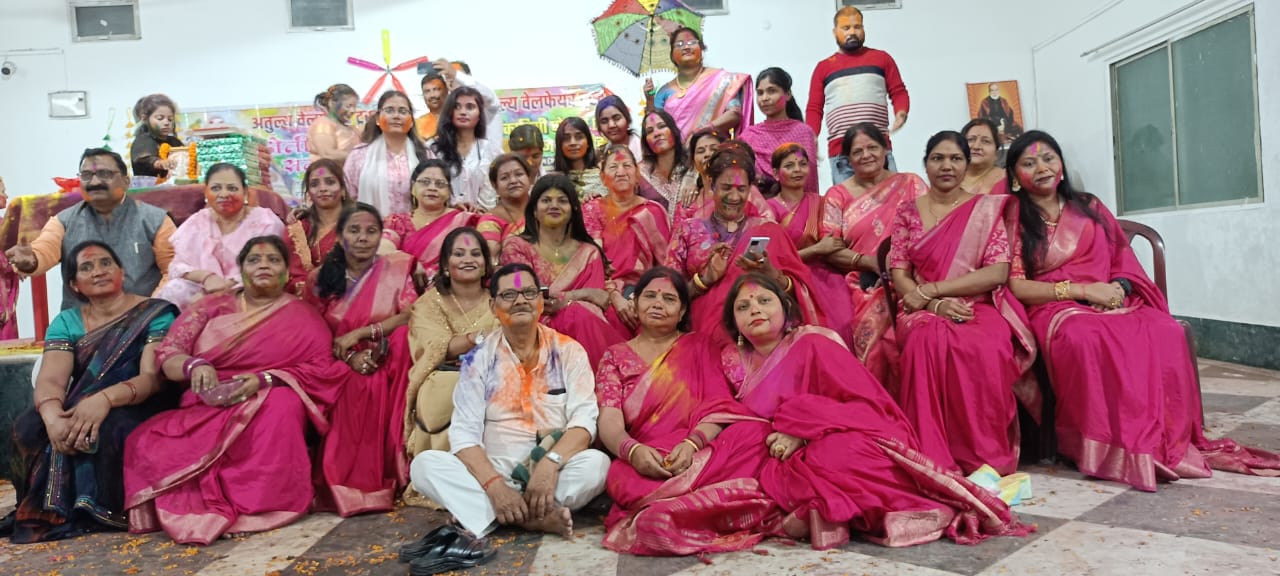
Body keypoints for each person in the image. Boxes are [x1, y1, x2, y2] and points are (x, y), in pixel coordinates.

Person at [1004, 131, 1280, 491]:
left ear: (1061, 164)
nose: (1042, 167)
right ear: (1014, 176)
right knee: (1084, 337)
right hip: (1053, 306)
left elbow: (1122, 257)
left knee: (1166, 330)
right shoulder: (1013, 217)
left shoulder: (1090, 206)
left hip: (1110, 298)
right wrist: (1082, 290)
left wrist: (1119, 288)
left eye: (1048, 158)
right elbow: (1016, 286)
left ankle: (1165, 436)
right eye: (1029, 163)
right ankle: (1101, 444)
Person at [720, 272, 1032, 549]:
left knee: (836, 455)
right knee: (746, 451)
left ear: (786, 309)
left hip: (847, 435)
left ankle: (837, 507)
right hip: (778, 451)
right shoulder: (731, 361)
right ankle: (821, 506)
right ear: (734, 323)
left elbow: (869, 407)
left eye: (764, 300)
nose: (755, 309)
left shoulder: (814, 343)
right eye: (743, 307)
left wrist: (801, 430)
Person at [124, 236, 347, 545]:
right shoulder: (210, 306)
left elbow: (323, 369)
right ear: (240, 270)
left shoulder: (303, 316)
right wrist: (194, 366)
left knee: (282, 406)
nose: (263, 265)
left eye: (273, 260)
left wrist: (265, 379)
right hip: (208, 404)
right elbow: (169, 354)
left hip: (268, 398)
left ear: (286, 271)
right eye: (254, 260)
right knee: (142, 441)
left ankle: (260, 506)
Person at [406, 264, 609, 553]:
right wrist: (494, 486)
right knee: (424, 466)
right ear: (493, 306)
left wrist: (549, 465)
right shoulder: (478, 358)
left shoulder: (569, 351)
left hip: (552, 468)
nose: (521, 300)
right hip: (494, 470)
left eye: (528, 292)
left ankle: (491, 514)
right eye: (509, 294)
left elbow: (584, 423)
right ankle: (532, 519)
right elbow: (464, 435)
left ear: (541, 301)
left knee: (597, 465)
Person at [3, 242, 178, 543]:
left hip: (141, 401)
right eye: (86, 267)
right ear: (74, 284)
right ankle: (42, 506)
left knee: (109, 427)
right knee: (29, 426)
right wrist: (53, 418)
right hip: (84, 400)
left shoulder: (154, 313)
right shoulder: (67, 321)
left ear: (121, 272)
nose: (98, 271)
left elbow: (151, 378)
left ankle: (99, 509)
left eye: (106, 263)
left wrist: (105, 399)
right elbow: (51, 379)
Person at [596, 267, 777, 556]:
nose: (658, 303)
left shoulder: (699, 345)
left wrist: (692, 444)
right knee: (620, 477)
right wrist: (633, 451)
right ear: (635, 303)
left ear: (682, 311)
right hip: (651, 457)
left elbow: (718, 407)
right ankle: (706, 506)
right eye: (650, 296)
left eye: (669, 299)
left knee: (756, 433)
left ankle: (670, 511)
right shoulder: (615, 355)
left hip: (699, 449)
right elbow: (609, 419)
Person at [888, 132, 1034, 476]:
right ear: (925, 164)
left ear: (966, 164)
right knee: (925, 340)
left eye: (955, 159)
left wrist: (934, 290)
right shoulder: (908, 211)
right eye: (937, 158)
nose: (946, 166)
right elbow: (899, 272)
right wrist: (931, 304)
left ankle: (983, 453)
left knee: (984, 346)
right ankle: (932, 452)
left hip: (976, 305)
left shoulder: (985, 209)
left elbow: (997, 272)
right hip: (921, 308)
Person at [307, 203, 418, 516]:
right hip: (335, 359)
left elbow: (410, 314)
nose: (363, 238)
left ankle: (390, 467)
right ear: (340, 236)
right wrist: (350, 356)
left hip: (386, 354)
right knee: (356, 383)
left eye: (371, 231)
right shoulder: (320, 279)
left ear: (381, 236)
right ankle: (347, 480)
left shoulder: (396, 269)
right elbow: (312, 331)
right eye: (354, 230)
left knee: (398, 347)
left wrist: (364, 334)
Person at [667, 147, 821, 344]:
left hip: (760, 342)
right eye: (726, 187)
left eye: (741, 189)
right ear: (711, 185)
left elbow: (801, 295)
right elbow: (668, 296)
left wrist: (772, 274)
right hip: (700, 341)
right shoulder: (687, 230)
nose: (734, 197)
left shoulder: (768, 230)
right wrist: (705, 280)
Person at [824, 123, 927, 388]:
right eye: (857, 151)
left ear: (885, 150)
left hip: (914, 277)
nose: (866, 155)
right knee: (870, 329)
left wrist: (900, 269)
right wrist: (872, 263)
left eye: (872, 147)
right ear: (847, 159)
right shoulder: (837, 195)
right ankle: (878, 402)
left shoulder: (910, 184)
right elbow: (831, 248)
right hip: (862, 283)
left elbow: (932, 233)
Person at [5, 148, 175, 309]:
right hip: (81, 322)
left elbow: (173, 272)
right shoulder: (64, 221)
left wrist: (150, 311)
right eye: (86, 175)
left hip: (142, 320)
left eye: (104, 174)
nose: (94, 182)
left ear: (125, 181)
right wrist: (32, 260)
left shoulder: (155, 220)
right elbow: (45, 249)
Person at [500, 174, 626, 369]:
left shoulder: (588, 252)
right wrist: (580, 295)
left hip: (585, 327)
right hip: (533, 324)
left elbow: (597, 305)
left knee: (582, 315)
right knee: (578, 313)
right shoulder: (517, 247)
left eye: (562, 200)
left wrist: (569, 300)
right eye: (546, 200)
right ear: (534, 210)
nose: (554, 206)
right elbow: (524, 296)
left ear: (574, 209)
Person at [405, 227, 498, 455]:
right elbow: (435, 347)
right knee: (452, 389)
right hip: (442, 378)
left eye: (476, 254)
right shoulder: (428, 304)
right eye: (459, 254)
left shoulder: (500, 299)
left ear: (485, 264)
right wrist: (478, 337)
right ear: (446, 265)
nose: (468, 259)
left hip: (495, 375)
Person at [156, 163, 285, 309]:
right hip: (205, 288)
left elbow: (270, 267)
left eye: (232, 188)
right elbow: (177, 267)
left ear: (245, 192)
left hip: (249, 290)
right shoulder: (197, 222)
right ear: (206, 192)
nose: (224, 194)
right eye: (216, 188)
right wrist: (206, 277)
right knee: (175, 289)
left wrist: (220, 292)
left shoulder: (265, 222)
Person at [764, 143, 854, 347]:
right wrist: (817, 249)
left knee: (844, 324)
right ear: (776, 173)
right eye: (789, 166)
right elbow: (772, 259)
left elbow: (834, 244)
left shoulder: (823, 202)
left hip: (827, 276)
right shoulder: (768, 210)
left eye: (802, 164)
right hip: (787, 279)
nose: (797, 170)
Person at [807, 6, 910, 182]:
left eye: (857, 27)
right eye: (846, 28)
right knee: (847, 201)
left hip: (879, 149)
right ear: (835, 32)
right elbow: (814, 108)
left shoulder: (882, 59)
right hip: (841, 153)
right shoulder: (823, 68)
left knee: (891, 198)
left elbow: (898, 91)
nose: (852, 32)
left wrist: (901, 112)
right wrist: (811, 136)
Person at [583, 145, 672, 330]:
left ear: (637, 173)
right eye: (613, 167)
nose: (621, 172)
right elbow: (593, 264)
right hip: (604, 291)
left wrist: (641, 296)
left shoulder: (653, 211)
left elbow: (667, 265)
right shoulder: (592, 209)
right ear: (602, 176)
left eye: (627, 165)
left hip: (648, 289)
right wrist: (615, 296)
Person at [379, 159, 478, 287]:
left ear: (449, 191)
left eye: (440, 184)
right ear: (413, 188)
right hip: (401, 289)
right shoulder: (397, 222)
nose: (432, 188)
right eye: (425, 182)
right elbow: (382, 247)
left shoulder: (463, 220)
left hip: (448, 289)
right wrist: (410, 263)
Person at [645, 27, 753, 139]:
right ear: (672, 55)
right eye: (679, 44)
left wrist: (700, 133)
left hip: (713, 146)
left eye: (692, 42)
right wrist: (649, 100)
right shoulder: (664, 91)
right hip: (677, 150)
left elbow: (734, 114)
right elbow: (655, 125)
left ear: (701, 49)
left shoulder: (721, 80)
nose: (686, 47)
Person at [344, 90, 427, 217]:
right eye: (389, 110)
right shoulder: (359, 155)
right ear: (377, 119)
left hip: (418, 227)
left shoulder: (425, 154)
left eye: (403, 111)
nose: (396, 116)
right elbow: (348, 198)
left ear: (411, 121)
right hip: (372, 227)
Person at [739, 68, 819, 194]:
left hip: (799, 202)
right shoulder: (748, 136)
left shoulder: (803, 132)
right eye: (760, 93)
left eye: (772, 91)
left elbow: (810, 180)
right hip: (759, 204)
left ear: (788, 94)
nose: (765, 98)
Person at [427, 86, 505, 210]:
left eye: (470, 107)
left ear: (479, 114)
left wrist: (479, 213)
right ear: (449, 112)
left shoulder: (490, 150)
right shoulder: (433, 149)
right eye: (457, 107)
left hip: (484, 217)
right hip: (443, 216)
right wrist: (451, 206)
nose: (463, 112)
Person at [670, 133, 772, 228]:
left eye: (713, 149)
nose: (707, 154)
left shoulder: (746, 191)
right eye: (700, 151)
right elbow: (679, 235)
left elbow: (769, 225)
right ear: (693, 161)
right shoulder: (689, 200)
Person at [285, 158, 352, 297]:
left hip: (352, 296)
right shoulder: (297, 230)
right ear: (309, 193)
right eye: (315, 184)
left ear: (343, 189)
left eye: (330, 182)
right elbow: (293, 277)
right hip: (308, 300)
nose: (323, 189)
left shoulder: (357, 224)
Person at [477, 153, 534, 254]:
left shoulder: (543, 209)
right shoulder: (490, 221)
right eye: (504, 178)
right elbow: (492, 257)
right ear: (495, 186)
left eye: (519, 174)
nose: (513, 181)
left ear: (529, 178)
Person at [639, 109, 689, 211]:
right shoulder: (639, 173)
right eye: (650, 131)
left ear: (673, 130)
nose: (656, 133)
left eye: (661, 126)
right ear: (645, 140)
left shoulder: (692, 164)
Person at [129, 94, 184, 181]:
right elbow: (143, 160)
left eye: (170, 119)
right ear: (144, 118)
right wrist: (159, 163)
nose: (166, 123)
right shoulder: (143, 140)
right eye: (160, 118)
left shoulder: (174, 141)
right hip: (150, 187)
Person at [553, 117, 606, 201]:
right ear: (560, 145)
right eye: (566, 138)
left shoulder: (604, 177)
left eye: (579, 137)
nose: (573, 143)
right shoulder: (554, 181)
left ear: (588, 143)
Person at [309, 83, 361, 165]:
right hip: (330, 172)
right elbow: (327, 154)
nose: (353, 111)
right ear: (331, 103)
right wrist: (360, 157)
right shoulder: (323, 124)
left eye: (355, 106)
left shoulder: (352, 128)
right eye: (348, 106)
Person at [961, 118, 1007, 195]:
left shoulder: (1007, 180)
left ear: (996, 151)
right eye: (970, 139)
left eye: (986, 141)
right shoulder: (949, 179)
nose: (976, 146)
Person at [594, 95, 644, 159]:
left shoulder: (646, 149)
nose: (611, 125)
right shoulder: (600, 157)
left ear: (627, 119)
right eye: (604, 121)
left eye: (617, 118)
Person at [416, 71, 448, 141]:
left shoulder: (458, 118)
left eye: (436, 89)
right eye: (427, 91)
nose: (432, 95)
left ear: (446, 90)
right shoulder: (417, 124)